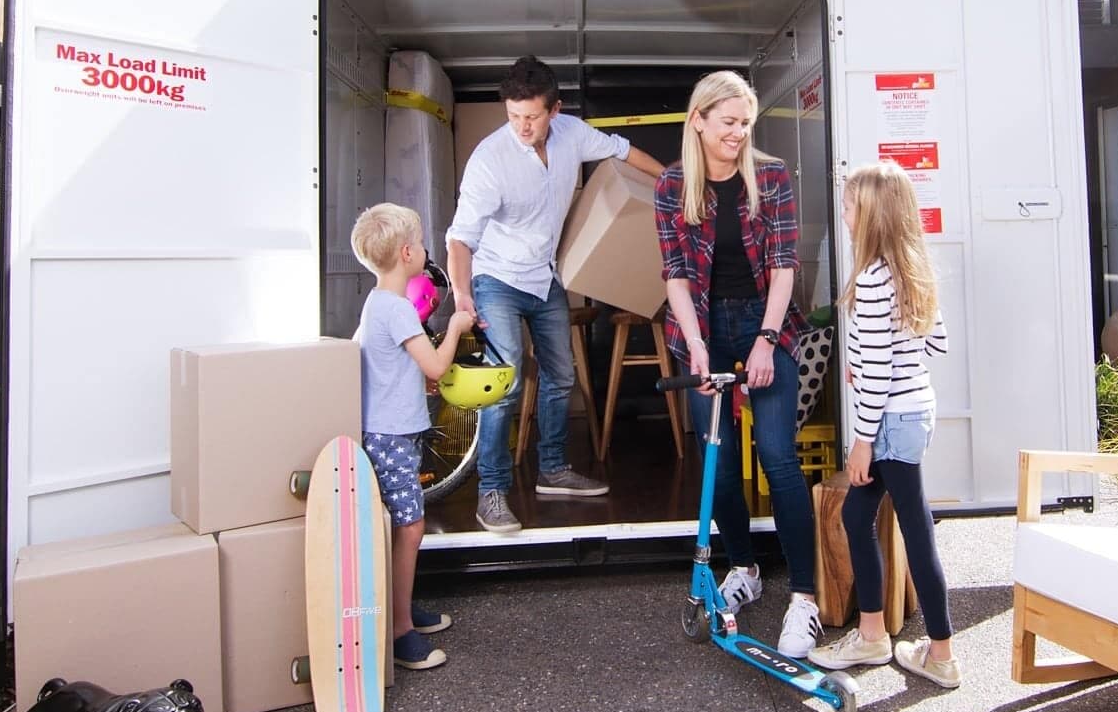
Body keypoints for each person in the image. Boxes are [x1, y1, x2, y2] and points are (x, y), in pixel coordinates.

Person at [447, 55, 667, 533]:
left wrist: (673, 182)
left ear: (555, 110)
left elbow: (624, 151)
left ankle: (552, 469)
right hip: (497, 279)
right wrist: (462, 295)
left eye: (532, 116)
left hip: (544, 277)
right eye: (514, 116)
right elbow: (460, 239)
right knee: (503, 385)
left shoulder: (572, 133)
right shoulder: (490, 159)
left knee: (561, 375)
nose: (522, 126)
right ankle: (492, 492)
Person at [654, 70, 822, 658]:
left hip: (763, 319)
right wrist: (696, 347)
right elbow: (675, 274)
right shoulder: (672, 185)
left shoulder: (770, 177)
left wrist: (767, 341)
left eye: (745, 123)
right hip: (704, 326)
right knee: (718, 466)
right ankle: (745, 568)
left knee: (778, 458)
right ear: (698, 121)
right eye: (728, 122)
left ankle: (805, 597)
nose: (738, 133)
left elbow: (783, 266)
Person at [808, 161, 960, 688]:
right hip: (914, 409)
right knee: (858, 516)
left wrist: (861, 442)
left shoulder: (873, 278)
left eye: (850, 207)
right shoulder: (911, 267)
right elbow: (936, 343)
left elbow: (876, 376)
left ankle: (940, 654)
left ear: (870, 215)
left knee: (916, 530)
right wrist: (875, 353)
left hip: (889, 420)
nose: (844, 216)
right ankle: (873, 634)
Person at [351, 202, 476, 670]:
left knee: (402, 524)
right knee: (410, 527)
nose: (425, 251)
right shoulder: (400, 309)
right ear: (407, 253)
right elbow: (437, 366)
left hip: (386, 432)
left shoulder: (377, 305)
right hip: (394, 436)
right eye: (421, 244)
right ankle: (400, 631)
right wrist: (456, 326)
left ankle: (400, 609)